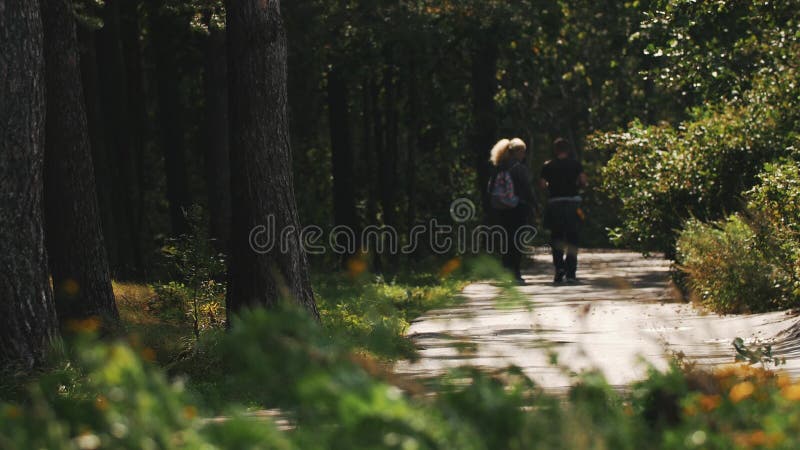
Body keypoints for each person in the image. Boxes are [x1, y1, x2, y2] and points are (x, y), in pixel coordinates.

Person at [488, 138, 536, 285]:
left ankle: (505, 272)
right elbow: (527, 189)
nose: (524, 155)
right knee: (517, 241)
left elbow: (490, 189)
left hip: (502, 209)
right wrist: (535, 205)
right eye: (523, 152)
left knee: (506, 240)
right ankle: (515, 273)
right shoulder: (519, 168)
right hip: (518, 208)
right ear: (517, 152)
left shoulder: (499, 167)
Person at [539, 138, 587, 283]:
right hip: (572, 203)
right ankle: (571, 272)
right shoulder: (576, 164)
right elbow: (584, 181)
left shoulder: (548, 166)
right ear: (568, 150)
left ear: (555, 150)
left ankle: (559, 269)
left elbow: (542, 185)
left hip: (555, 203)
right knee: (573, 237)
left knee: (557, 237)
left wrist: (551, 188)